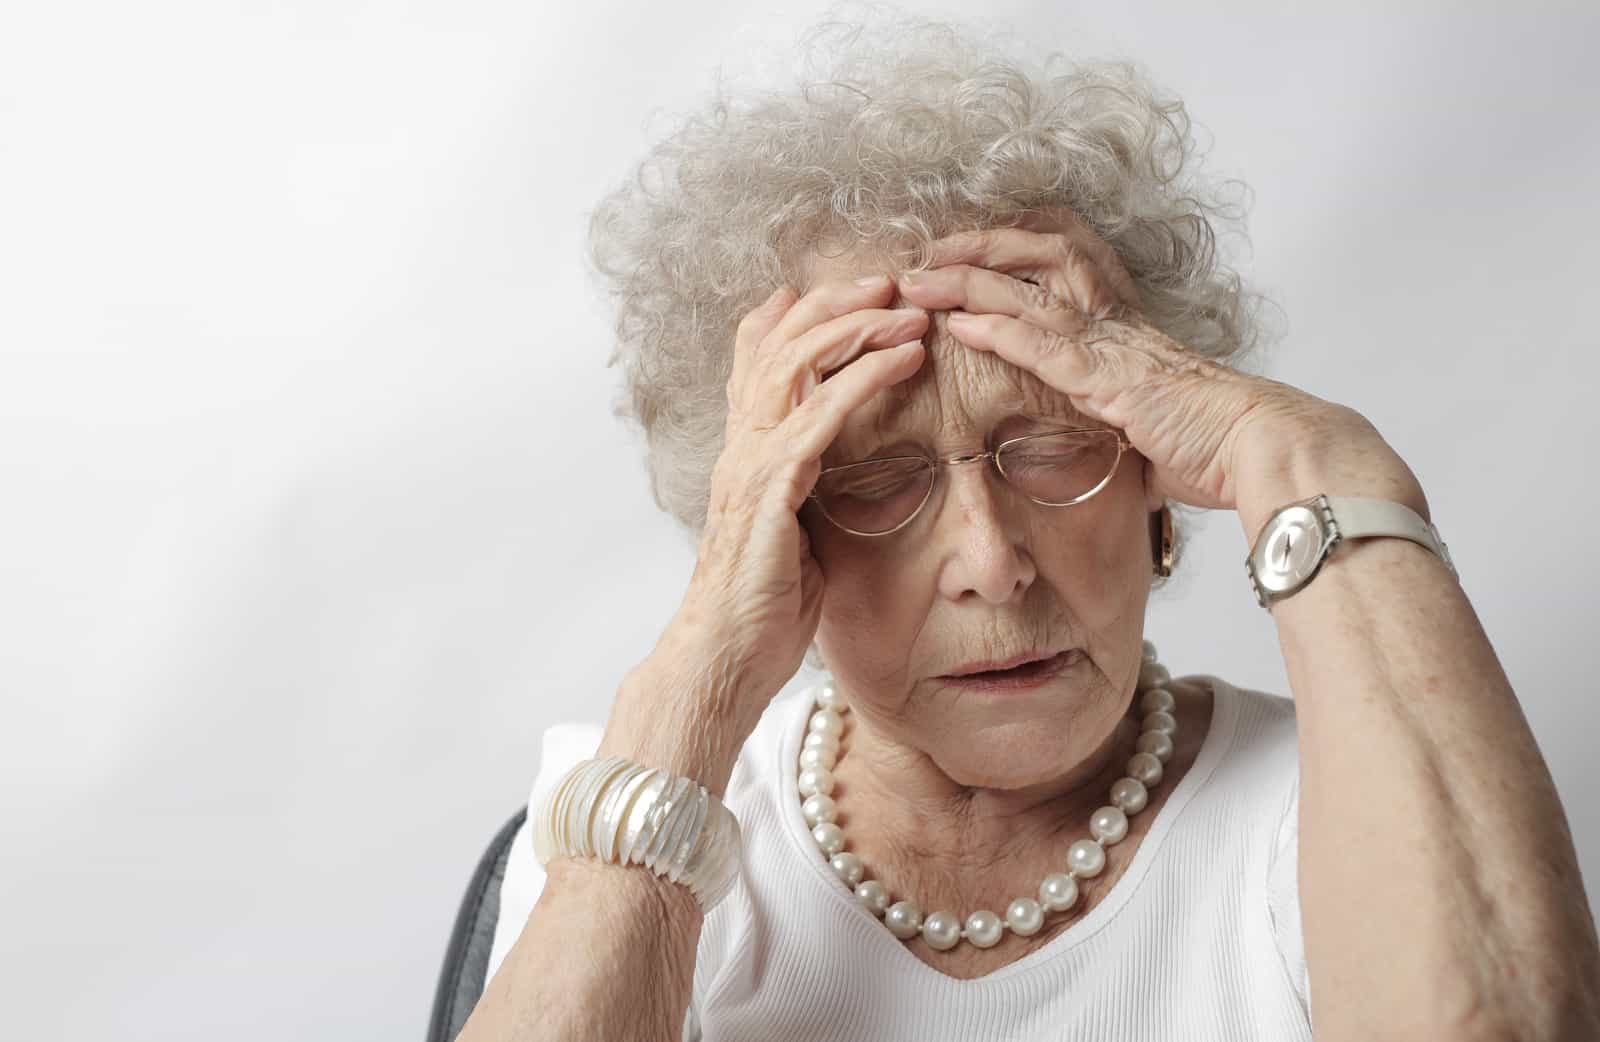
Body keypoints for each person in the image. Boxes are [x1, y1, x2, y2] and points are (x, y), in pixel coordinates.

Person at [457, 12, 1599, 1042]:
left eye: (1053, 448)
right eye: (877, 480)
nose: (993, 564)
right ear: (777, 538)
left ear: (1159, 468)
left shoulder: (1338, 800)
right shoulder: (638, 813)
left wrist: (1315, 459)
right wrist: (692, 686)